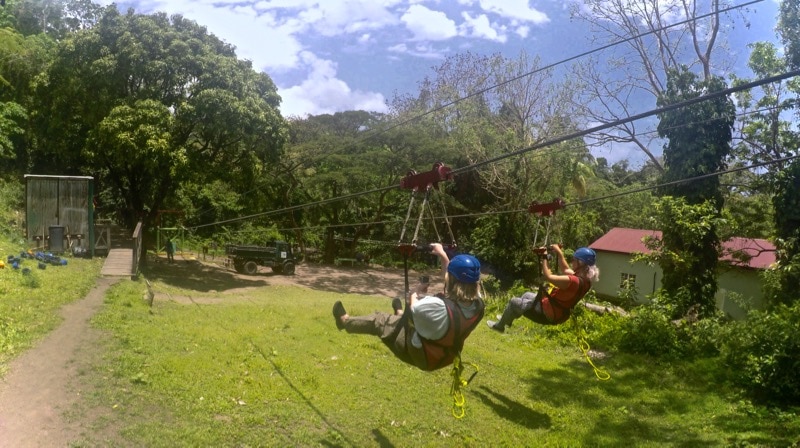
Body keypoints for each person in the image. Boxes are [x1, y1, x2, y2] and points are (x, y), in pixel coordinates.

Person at [332, 243, 485, 371]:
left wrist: (415, 293)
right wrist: (443, 256)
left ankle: (345, 321)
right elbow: (453, 282)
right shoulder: (478, 304)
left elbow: (414, 309)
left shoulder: (438, 308)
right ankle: (399, 313)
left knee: (379, 320)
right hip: (446, 355)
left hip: (422, 354)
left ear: (451, 280)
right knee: (406, 316)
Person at [487, 245, 599, 331]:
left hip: (549, 312)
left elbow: (548, 276)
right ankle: (506, 318)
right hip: (559, 312)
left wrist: (544, 257)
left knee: (514, 302)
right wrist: (559, 253)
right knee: (526, 295)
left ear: (581, 263)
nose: (572, 262)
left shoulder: (573, 281)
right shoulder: (586, 280)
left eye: (574, 260)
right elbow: (565, 269)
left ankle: (500, 326)